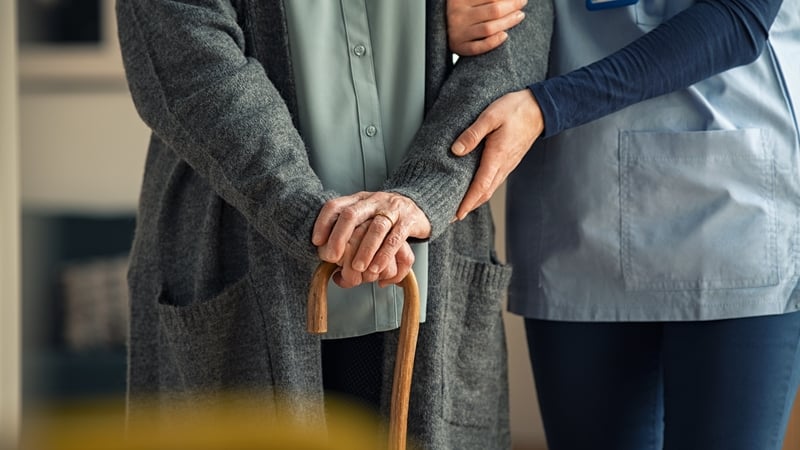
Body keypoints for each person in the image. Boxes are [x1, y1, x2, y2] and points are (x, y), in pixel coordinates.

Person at [115, 0, 552, 448]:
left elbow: (518, 29)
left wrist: (425, 193)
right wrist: (320, 220)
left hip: (429, 268)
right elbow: (191, 63)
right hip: (242, 258)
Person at [440, 0, 800, 449]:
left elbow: (738, 18)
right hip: (577, 203)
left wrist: (548, 106)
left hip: (730, 214)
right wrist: (442, 24)